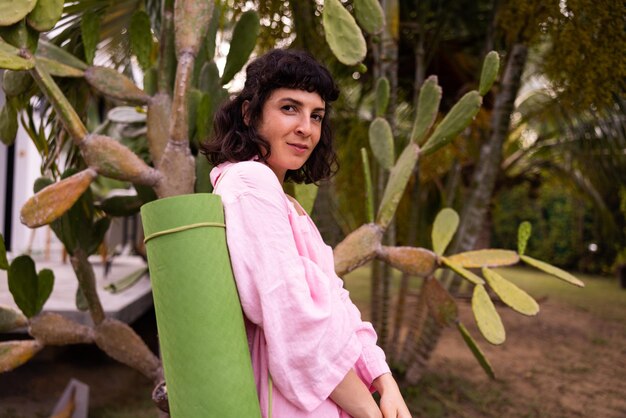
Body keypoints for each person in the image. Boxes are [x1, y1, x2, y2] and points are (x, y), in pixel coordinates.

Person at [202, 49, 411, 418]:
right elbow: (295, 318)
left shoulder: (281, 199)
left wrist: (384, 380)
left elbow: (336, 299)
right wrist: (369, 410)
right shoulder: (250, 183)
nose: (306, 128)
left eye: (316, 116)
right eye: (289, 108)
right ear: (249, 113)